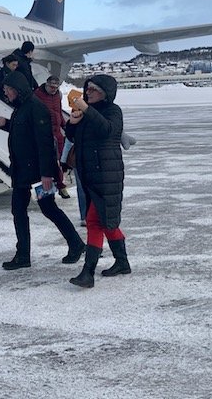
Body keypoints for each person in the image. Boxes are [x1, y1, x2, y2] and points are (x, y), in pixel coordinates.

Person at [0, 71, 85, 270]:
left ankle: (75, 245)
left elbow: (45, 143)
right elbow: (24, 132)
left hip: (36, 173)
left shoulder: (35, 108)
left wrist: (47, 175)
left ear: (17, 90)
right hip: (24, 171)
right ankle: (25, 255)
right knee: (23, 210)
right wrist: (6, 125)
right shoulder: (22, 107)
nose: (6, 93)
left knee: (46, 209)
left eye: (8, 89)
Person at [65, 74, 130, 288]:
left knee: (94, 221)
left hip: (106, 175)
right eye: (88, 89)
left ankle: (88, 272)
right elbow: (75, 138)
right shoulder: (88, 113)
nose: (88, 92)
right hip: (90, 175)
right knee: (106, 221)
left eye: (93, 89)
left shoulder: (113, 111)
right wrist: (72, 124)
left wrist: (86, 110)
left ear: (105, 92)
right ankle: (122, 262)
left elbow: (108, 131)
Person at [33, 75, 71, 200]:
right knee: (49, 161)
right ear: (46, 84)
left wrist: (64, 125)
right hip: (46, 133)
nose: (54, 89)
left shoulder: (57, 95)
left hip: (57, 133)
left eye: (56, 87)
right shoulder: (37, 95)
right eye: (52, 87)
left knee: (59, 161)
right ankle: (49, 188)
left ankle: (60, 186)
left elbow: (59, 111)